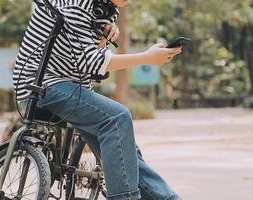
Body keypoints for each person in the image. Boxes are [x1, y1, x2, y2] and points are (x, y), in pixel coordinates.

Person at [13, 0, 183, 199]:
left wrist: (104, 35)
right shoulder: (77, 6)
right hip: (41, 86)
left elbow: (89, 57)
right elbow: (93, 63)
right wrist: (147, 57)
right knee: (117, 117)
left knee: (125, 153)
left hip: (73, 88)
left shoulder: (105, 9)